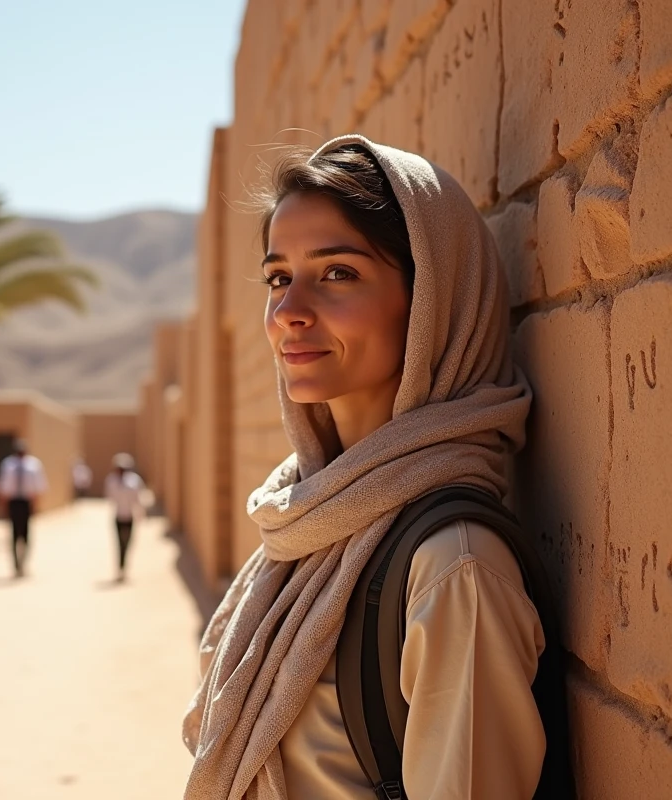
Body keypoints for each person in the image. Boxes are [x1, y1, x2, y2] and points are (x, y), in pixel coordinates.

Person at [182, 137, 551, 799]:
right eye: (278, 278)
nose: (289, 312)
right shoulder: (305, 515)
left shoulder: (453, 567)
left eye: (337, 273)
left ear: (430, 301)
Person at [0, 439, 48, 577]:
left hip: (26, 502)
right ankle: (16, 564)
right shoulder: (8, 464)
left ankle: (24, 561)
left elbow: (39, 487)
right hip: (13, 502)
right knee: (14, 534)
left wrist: (36, 505)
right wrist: (3, 506)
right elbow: (3, 487)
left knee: (25, 533)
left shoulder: (34, 465)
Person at [103, 452, 147, 581]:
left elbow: (138, 498)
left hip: (129, 516)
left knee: (128, 542)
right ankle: (120, 567)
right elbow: (110, 497)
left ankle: (124, 566)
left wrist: (140, 512)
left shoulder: (134, 480)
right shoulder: (111, 480)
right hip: (118, 516)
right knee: (119, 543)